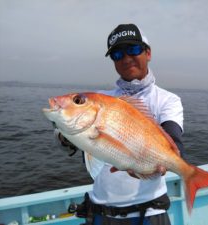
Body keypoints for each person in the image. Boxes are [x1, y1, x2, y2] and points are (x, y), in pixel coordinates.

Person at [56, 23, 185, 225]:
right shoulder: (101, 99)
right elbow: (70, 140)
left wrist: (167, 164)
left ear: (148, 53)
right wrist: (64, 136)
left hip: (150, 213)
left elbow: (174, 140)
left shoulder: (168, 100)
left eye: (133, 49)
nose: (126, 58)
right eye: (117, 54)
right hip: (101, 212)